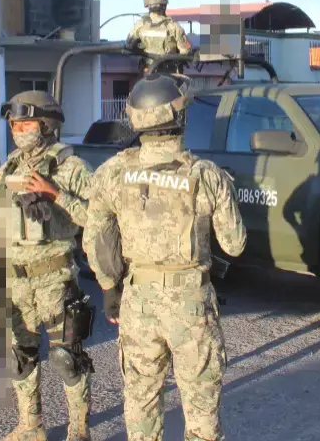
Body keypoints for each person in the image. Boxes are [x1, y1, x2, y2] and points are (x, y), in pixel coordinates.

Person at [83, 73, 247, 441]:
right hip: (191, 303)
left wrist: (109, 287)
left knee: (141, 402)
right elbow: (234, 244)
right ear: (180, 116)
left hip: (138, 301)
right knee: (201, 406)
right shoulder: (206, 175)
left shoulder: (113, 171)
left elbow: (96, 237)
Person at [0, 90, 96, 441]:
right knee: (20, 357)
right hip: (16, 281)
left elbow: (99, 218)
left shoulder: (72, 167)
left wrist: (55, 195)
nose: (17, 130)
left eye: (25, 124)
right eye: (14, 125)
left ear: (46, 125)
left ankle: (78, 429)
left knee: (67, 359)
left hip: (55, 279)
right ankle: (30, 426)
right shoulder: (7, 168)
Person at [126, 0, 193, 75]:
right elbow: (186, 52)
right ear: (164, 6)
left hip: (147, 72)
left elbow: (129, 45)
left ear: (148, 6)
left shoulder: (139, 25)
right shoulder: (174, 27)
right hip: (169, 74)